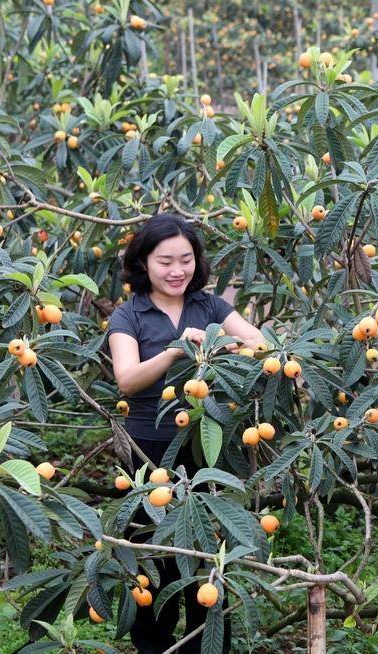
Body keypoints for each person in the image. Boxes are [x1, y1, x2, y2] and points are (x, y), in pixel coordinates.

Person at [106, 212, 262, 653]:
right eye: (165, 261)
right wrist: (177, 351)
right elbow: (127, 379)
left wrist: (221, 342)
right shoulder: (128, 315)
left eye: (186, 260)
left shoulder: (210, 307)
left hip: (205, 441)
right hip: (146, 449)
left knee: (208, 548)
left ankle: (207, 644)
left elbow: (260, 345)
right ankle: (153, 645)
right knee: (152, 556)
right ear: (143, 263)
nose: (177, 271)